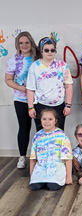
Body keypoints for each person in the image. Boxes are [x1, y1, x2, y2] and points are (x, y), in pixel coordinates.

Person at [5, 31, 39, 169]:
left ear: (31, 43)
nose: (24, 45)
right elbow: (8, 80)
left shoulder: (38, 59)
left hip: (38, 99)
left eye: (27, 42)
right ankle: (22, 157)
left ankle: (39, 157)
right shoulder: (12, 61)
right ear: (17, 45)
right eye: (21, 43)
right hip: (20, 100)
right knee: (24, 127)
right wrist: (21, 88)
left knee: (41, 128)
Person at [26, 36, 73, 131]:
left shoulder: (62, 65)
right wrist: (30, 107)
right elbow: (30, 89)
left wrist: (68, 105)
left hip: (59, 106)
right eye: (46, 50)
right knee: (41, 133)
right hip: (40, 106)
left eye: (52, 50)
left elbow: (68, 86)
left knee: (58, 133)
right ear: (41, 50)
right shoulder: (34, 66)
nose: (50, 52)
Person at [29, 108, 73, 191]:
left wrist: (69, 177)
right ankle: (40, 179)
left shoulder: (62, 135)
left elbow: (68, 158)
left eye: (50, 119)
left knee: (53, 186)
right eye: (44, 119)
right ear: (40, 120)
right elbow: (33, 158)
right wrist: (31, 176)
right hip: (41, 168)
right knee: (35, 186)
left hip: (56, 167)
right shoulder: (37, 136)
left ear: (55, 121)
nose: (47, 122)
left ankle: (53, 180)